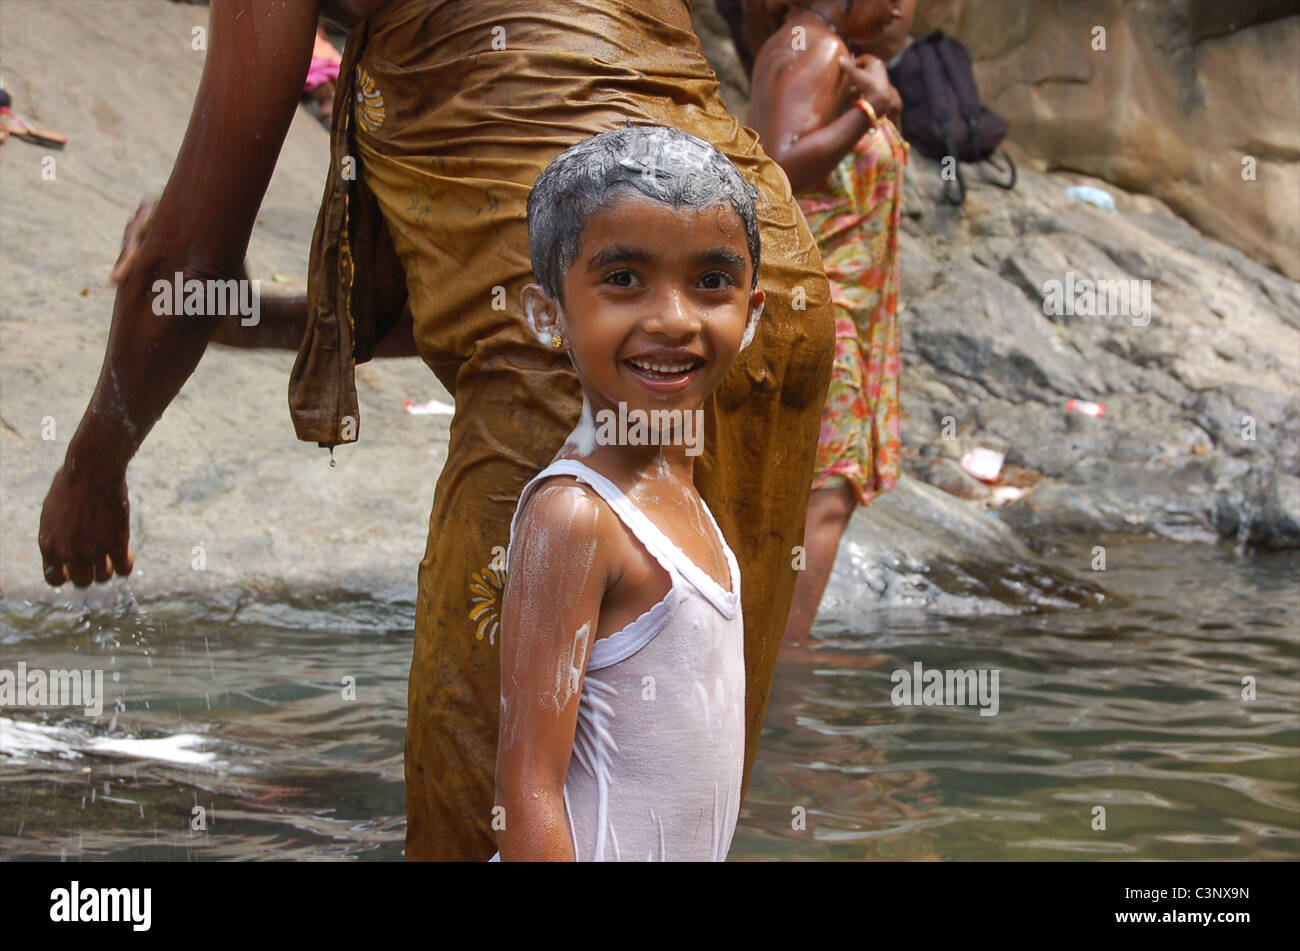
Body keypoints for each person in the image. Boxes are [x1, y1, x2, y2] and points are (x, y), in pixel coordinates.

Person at [37, 0, 834, 861]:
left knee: (485, 813)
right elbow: (484, 285)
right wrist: (255, 319)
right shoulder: (658, 306)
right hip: (772, 296)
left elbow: (184, 260)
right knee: (671, 788)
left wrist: (95, 463)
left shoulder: (568, 442)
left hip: (580, 362)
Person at [493, 126, 763, 861]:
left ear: (753, 312)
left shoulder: (684, 499)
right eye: (623, 279)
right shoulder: (576, 516)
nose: (673, 317)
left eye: (711, 281)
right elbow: (527, 791)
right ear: (548, 313)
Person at [748, 0, 915, 645]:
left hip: (835, 306)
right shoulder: (819, 49)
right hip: (823, 307)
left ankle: (764, 660)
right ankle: (786, 666)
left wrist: (879, 103)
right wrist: (870, 111)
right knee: (825, 494)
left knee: (804, 488)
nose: (903, 8)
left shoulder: (813, 46)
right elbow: (780, 166)